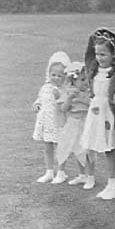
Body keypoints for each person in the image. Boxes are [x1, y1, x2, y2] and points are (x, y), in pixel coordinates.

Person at [80, 28, 115, 200]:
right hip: (97, 115)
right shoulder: (94, 71)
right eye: (97, 54)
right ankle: (110, 182)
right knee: (107, 150)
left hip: (111, 116)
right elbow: (88, 57)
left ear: (113, 55)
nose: (99, 58)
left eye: (103, 54)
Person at [52, 62, 96, 189]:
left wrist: (82, 98)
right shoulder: (68, 92)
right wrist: (70, 98)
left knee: (87, 151)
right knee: (76, 149)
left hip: (85, 122)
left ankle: (90, 176)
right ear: (73, 81)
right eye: (81, 80)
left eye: (86, 79)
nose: (85, 82)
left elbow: (92, 106)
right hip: (72, 123)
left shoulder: (89, 93)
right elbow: (64, 109)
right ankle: (82, 174)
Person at [32, 51, 71, 183]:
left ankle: (61, 171)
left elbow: (65, 104)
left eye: (59, 76)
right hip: (46, 122)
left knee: (60, 147)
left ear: (65, 77)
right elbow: (41, 98)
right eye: (53, 75)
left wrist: (58, 96)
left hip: (58, 122)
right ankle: (49, 171)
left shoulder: (64, 89)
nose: (55, 78)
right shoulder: (45, 87)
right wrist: (37, 104)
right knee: (47, 147)